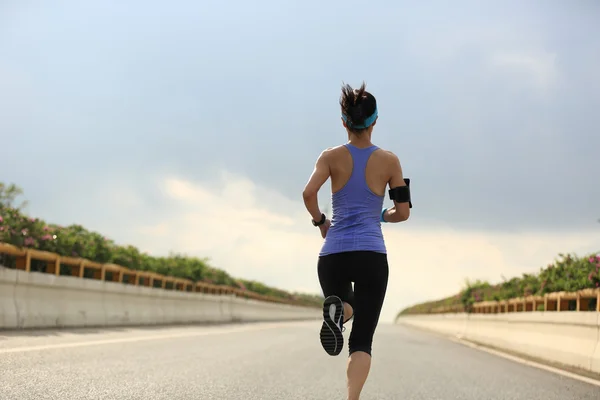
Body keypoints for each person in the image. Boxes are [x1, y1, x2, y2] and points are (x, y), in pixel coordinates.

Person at [302, 82, 411, 400]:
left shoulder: (330, 157)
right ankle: (352, 398)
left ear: (344, 122)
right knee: (362, 339)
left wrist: (321, 222)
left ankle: (341, 311)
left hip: (333, 253)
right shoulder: (390, 161)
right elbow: (402, 212)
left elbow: (309, 194)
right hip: (371, 255)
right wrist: (382, 216)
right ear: (375, 121)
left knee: (344, 302)